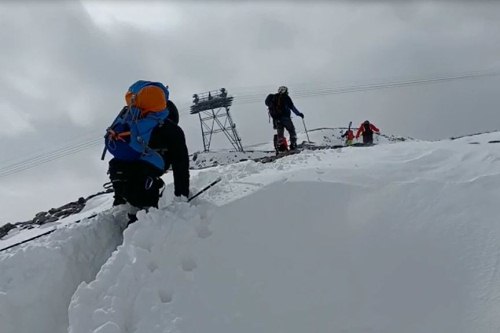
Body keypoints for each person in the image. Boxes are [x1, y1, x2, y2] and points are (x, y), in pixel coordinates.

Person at [106, 82, 190, 223]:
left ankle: (121, 203)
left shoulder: (132, 119)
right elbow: (180, 164)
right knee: (144, 179)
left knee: (126, 173)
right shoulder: (171, 129)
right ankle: (146, 216)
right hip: (146, 172)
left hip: (119, 167)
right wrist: (182, 196)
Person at [265, 86, 304, 151]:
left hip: (277, 119)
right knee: (291, 130)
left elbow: (268, 105)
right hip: (286, 118)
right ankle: (293, 144)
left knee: (280, 133)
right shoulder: (286, 97)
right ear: (284, 91)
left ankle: (281, 147)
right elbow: (292, 107)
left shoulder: (273, 98)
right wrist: (299, 114)